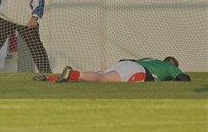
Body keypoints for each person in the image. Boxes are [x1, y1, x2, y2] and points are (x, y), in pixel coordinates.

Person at [57, 56, 191, 83]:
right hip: (138, 70)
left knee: (99, 74)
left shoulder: (151, 59)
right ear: (173, 64)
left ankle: (61, 77)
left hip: (127, 64)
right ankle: (74, 73)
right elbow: (184, 79)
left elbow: (123, 60)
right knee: (101, 79)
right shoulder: (171, 67)